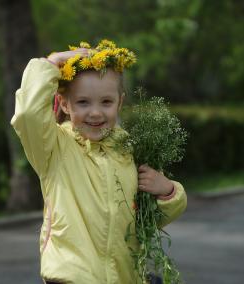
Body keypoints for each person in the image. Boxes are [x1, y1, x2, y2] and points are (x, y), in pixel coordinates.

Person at [10, 40, 187, 284]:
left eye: (106, 102)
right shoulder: (53, 148)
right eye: (83, 102)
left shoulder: (129, 152)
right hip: (72, 277)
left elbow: (145, 221)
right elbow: (28, 114)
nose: (95, 112)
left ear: (120, 103)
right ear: (64, 104)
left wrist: (168, 191)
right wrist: (51, 64)